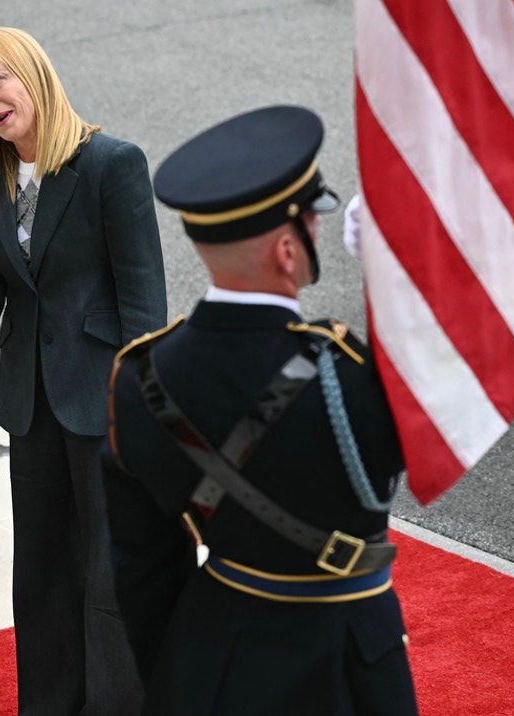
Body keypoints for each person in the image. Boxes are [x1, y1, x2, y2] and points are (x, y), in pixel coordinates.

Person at [101, 105, 419, 715]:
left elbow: (141, 566)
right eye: (312, 224)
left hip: (211, 657)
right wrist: (398, 266)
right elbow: (443, 421)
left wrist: (179, 682)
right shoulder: (347, 371)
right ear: (285, 250)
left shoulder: (138, 378)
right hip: (347, 661)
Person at [0, 26, 168, 716]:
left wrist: (142, 414)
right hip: (30, 407)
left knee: (110, 575)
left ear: (33, 75)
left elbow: (143, 301)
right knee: (40, 578)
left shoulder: (111, 163)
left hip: (105, 405)